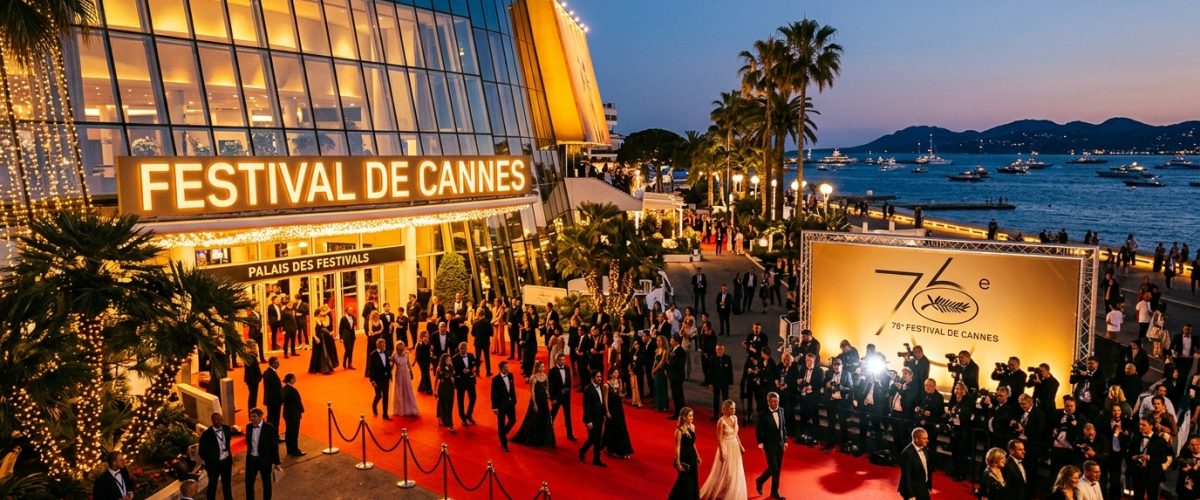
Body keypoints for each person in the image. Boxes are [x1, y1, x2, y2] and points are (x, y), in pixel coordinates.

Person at [699, 400, 747, 500]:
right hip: (726, 447)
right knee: (727, 473)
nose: (734, 410)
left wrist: (740, 445)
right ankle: (720, 493)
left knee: (735, 471)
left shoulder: (735, 418)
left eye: (734, 408)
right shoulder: (721, 421)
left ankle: (731, 494)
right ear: (725, 409)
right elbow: (719, 438)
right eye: (731, 408)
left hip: (735, 447)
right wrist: (722, 452)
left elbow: (735, 434)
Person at [512, 360, 556, 447]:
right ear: (537, 368)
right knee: (534, 420)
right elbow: (532, 392)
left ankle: (543, 439)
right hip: (536, 401)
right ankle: (533, 439)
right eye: (541, 367)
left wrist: (549, 399)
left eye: (543, 367)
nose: (542, 369)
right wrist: (534, 404)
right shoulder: (533, 377)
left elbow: (547, 389)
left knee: (545, 419)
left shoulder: (545, 376)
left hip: (544, 401)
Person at [755, 392, 788, 499]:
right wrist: (760, 443)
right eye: (773, 401)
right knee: (774, 468)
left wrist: (785, 441)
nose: (776, 403)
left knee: (777, 470)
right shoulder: (763, 414)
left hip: (780, 444)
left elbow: (783, 427)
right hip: (769, 445)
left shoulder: (781, 410)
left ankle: (774, 491)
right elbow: (759, 430)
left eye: (777, 401)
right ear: (768, 402)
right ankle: (760, 481)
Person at [243, 408, 281, 500]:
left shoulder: (269, 428)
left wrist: (276, 462)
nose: (252, 418)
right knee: (248, 482)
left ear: (261, 416)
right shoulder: (249, 427)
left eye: (254, 416)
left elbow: (274, 446)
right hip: (252, 460)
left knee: (266, 483)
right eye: (251, 416)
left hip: (264, 461)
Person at [1127, 416, 1170, 499]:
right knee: (1137, 497)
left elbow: (1163, 458)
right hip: (1138, 473)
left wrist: (1149, 458)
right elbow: (1130, 453)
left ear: (1151, 426)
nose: (1141, 427)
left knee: (1152, 497)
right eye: (1140, 424)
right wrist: (1133, 457)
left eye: (1144, 425)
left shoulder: (1160, 440)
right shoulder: (1136, 437)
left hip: (1152, 474)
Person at [198, 412, 234, 500]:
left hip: (226, 461)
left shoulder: (227, 429)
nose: (220, 422)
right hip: (214, 465)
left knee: (227, 484)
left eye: (221, 419)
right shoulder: (206, 434)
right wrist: (210, 461)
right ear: (212, 420)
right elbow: (201, 451)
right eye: (217, 420)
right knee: (213, 485)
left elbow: (227, 443)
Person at [668, 407, 701, 500]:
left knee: (693, 480)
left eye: (692, 416)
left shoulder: (692, 427)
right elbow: (677, 448)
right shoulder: (679, 431)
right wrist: (678, 462)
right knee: (684, 482)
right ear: (684, 417)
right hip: (684, 458)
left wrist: (697, 455)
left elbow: (692, 443)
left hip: (692, 457)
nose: (692, 418)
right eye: (690, 416)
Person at [578, 369, 609, 466]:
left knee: (598, 439)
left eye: (600, 376)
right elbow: (586, 407)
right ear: (592, 378)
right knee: (592, 438)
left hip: (600, 417)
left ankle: (596, 459)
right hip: (591, 419)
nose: (600, 378)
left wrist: (604, 414)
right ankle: (582, 451)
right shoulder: (588, 389)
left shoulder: (601, 386)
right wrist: (588, 421)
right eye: (597, 377)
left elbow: (602, 402)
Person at [603, 367, 634, 458]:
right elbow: (605, 399)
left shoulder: (618, 382)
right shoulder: (606, 385)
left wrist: (623, 393)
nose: (617, 374)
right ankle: (610, 448)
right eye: (615, 372)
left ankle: (623, 450)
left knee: (621, 427)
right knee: (611, 428)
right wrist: (607, 411)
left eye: (617, 372)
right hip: (611, 409)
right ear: (611, 374)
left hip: (619, 409)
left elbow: (620, 395)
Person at [898, 427, 933, 500]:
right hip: (912, 489)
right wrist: (910, 495)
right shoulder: (907, 453)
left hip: (923, 487)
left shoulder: (924, 448)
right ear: (916, 439)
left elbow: (927, 468)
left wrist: (928, 486)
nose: (927, 440)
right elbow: (906, 475)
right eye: (924, 438)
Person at [547, 353, 576, 441]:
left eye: (563, 360)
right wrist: (553, 398)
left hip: (566, 397)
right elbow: (551, 386)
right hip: (556, 397)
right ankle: (547, 432)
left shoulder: (567, 368)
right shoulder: (552, 371)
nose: (562, 361)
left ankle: (570, 434)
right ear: (557, 360)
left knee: (568, 416)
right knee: (552, 415)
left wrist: (566, 391)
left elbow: (569, 383)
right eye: (560, 360)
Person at [491, 360, 518, 451]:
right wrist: (494, 407)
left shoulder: (510, 375)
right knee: (501, 424)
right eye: (505, 367)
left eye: (508, 367)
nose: (507, 369)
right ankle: (504, 444)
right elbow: (493, 394)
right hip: (501, 405)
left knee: (513, 420)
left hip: (510, 404)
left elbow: (512, 388)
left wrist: (514, 400)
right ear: (501, 369)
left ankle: (502, 433)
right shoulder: (495, 379)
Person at [452, 342, 479, 426]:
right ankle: (463, 418)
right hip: (460, 382)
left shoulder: (471, 355)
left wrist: (473, 369)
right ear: (459, 349)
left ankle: (468, 415)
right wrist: (461, 372)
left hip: (470, 380)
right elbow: (453, 371)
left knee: (473, 397)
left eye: (465, 349)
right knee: (460, 401)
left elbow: (474, 365)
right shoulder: (455, 358)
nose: (463, 350)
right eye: (462, 349)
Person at [366, 338, 393, 419]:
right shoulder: (373, 355)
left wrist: (390, 375)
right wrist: (372, 380)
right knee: (378, 395)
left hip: (385, 378)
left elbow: (387, 365)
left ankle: (385, 414)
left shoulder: (386, 352)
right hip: (377, 379)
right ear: (379, 346)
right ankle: (374, 405)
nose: (384, 346)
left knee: (385, 396)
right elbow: (371, 368)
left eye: (384, 344)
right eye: (382, 345)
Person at [391, 342, 419, 417]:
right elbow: (391, 366)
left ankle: (411, 408)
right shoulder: (394, 355)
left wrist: (411, 371)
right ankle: (401, 409)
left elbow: (408, 363)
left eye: (402, 345)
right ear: (397, 347)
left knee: (408, 389)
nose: (401, 347)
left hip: (406, 373)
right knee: (400, 390)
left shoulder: (406, 353)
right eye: (400, 346)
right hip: (399, 374)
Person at [280, 373, 305, 456]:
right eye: (294, 378)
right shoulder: (293, 391)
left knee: (289, 432)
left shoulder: (284, 389)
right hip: (294, 415)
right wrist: (302, 410)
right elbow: (298, 402)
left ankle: (290, 450)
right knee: (294, 433)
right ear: (291, 380)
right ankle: (295, 450)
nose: (295, 379)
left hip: (287, 413)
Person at [708, 344, 734, 419]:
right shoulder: (712, 358)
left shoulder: (728, 358)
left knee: (725, 399)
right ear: (716, 350)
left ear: (724, 350)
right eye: (718, 349)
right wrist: (710, 383)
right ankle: (716, 414)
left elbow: (730, 372)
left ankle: (726, 414)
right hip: (715, 382)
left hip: (725, 382)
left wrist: (731, 383)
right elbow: (710, 371)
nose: (719, 351)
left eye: (721, 349)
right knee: (716, 398)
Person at [434, 354, 456, 433]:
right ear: (444, 360)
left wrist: (453, 379)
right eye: (448, 360)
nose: (450, 361)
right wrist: (435, 390)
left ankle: (441, 418)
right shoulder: (439, 368)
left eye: (450, 360)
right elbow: (436, 380)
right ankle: (449, 425)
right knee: (443, 405)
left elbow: (453, 376)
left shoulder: (451, 367)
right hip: (442, 389)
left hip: (450, 388)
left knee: (449, 405)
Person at [668, 335, 687, 419]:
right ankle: (681, 411)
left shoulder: (681, 351)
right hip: (673, 376)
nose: (670, 342)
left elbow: (680, 362)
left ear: (676, 341)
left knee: (677, 395)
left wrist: (670, 363)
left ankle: (678, 413)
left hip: (677, 376)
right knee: (677, 394)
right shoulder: (673, 349)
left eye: (672, 340)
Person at [262, 357, 282, 430]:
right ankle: (274, 436)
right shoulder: (271, 374)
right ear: (273, 364)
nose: (278, 364)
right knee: (275, 419)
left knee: (271, 418)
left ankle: (271, 435)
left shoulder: (266, 372)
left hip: (269, 400)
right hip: (274, 401)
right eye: (277, 363)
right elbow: (276, 389)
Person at [653, 335, 671, 412]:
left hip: (662, 370)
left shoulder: (665, 350)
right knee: (657, 386)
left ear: (663, 342)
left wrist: (655, 370)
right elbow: (655, 361)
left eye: (659, 341)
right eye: (657, 340)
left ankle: (664, 405)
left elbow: (662, 362)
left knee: (662, 387)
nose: (658, 342)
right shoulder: (657, 350)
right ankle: (657, 405)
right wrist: (652, 369)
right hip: (657, 370)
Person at [244, 347, 263, 411]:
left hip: (251, 379)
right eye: (254, 346)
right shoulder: (250, 357)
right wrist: (258, 378)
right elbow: (252, 370)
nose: (256, 348)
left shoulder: (248, 356)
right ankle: (252, 411)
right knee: (253, 397)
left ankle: (252, 411)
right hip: (253, 380)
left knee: (253, 396)